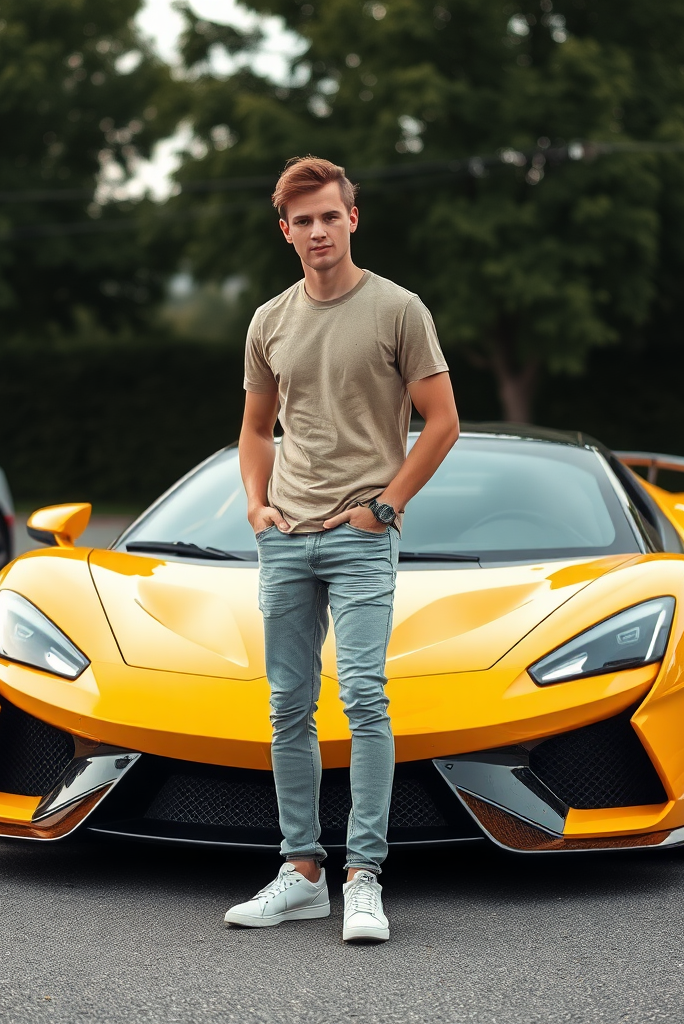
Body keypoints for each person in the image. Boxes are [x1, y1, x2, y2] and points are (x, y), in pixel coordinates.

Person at [224, 156, 459, 944]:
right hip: (287, 539)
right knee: (288, 704)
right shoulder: (270, 321)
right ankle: (301, 874)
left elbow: (442, 420)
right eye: (303, 220)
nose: (318, 230)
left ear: (351, 219)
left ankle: (364, 877)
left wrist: (386, 507)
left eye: (330, 215)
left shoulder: (399, 309)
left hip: (360, 540)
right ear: (283, 229)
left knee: (363, 698)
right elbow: (257, 429)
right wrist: (258, 509)